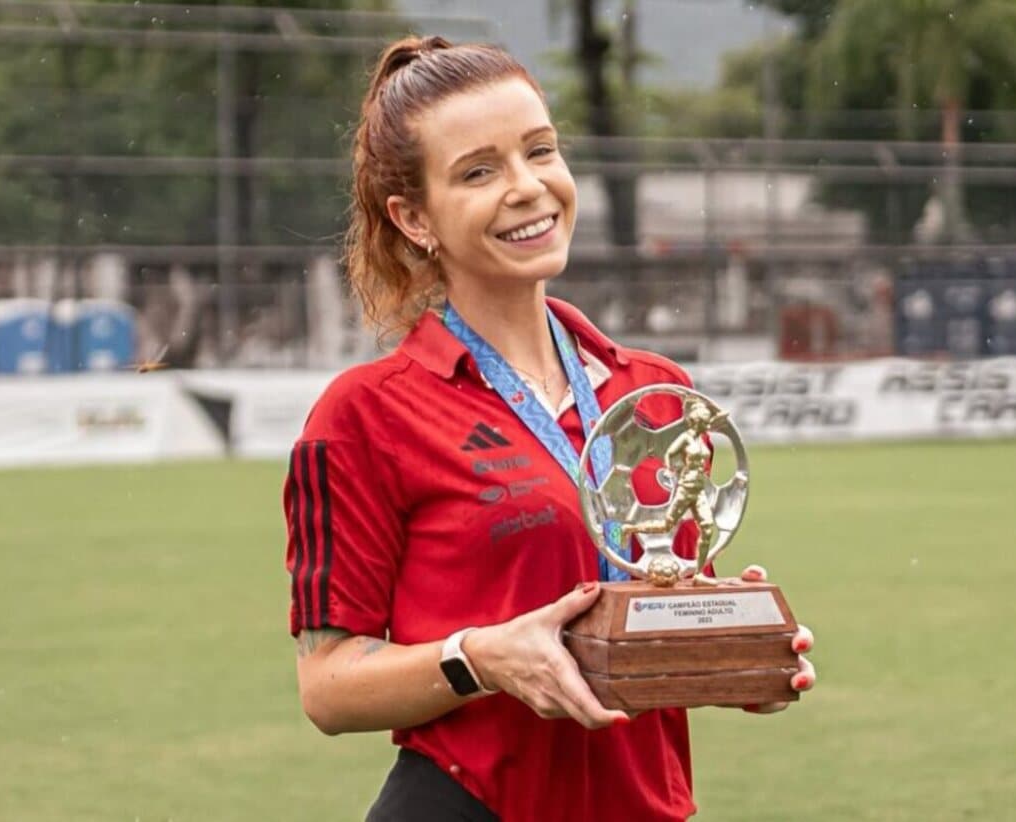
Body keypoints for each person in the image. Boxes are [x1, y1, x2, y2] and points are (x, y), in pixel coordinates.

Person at [283, 35, 815, 822]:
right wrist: (481, 658)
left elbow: (636, 614)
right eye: (478, 171)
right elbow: (328, 687)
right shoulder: (367, 415)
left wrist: (723, 645)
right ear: (414, 218)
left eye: (540, 152)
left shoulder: (655, 393)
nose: (527, 188)